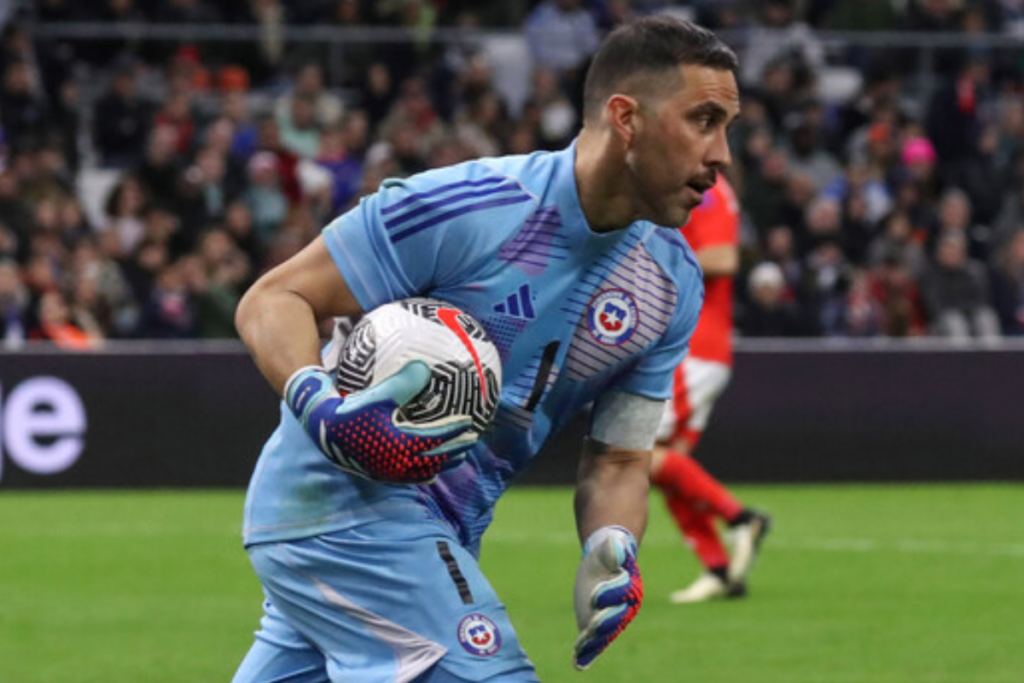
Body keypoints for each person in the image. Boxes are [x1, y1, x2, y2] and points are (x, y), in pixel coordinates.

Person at [232, 16, 740, 683]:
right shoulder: (468, 207)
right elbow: (271, 300)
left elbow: (619, 459)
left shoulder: (669, 285)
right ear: (626, 118)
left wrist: (610, 544)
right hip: (342, 508)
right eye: (704, 120)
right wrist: (323, 409)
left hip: (429, 534)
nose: (723, 153)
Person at [650, 176, 772, 604]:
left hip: (693, 348)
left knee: (634, 453)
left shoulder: (708, 189)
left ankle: (741, 518)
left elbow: (721, 257)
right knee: (668, 467)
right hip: (692, 347)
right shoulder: (685, 185)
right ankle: (719, 570)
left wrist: (645, 276)